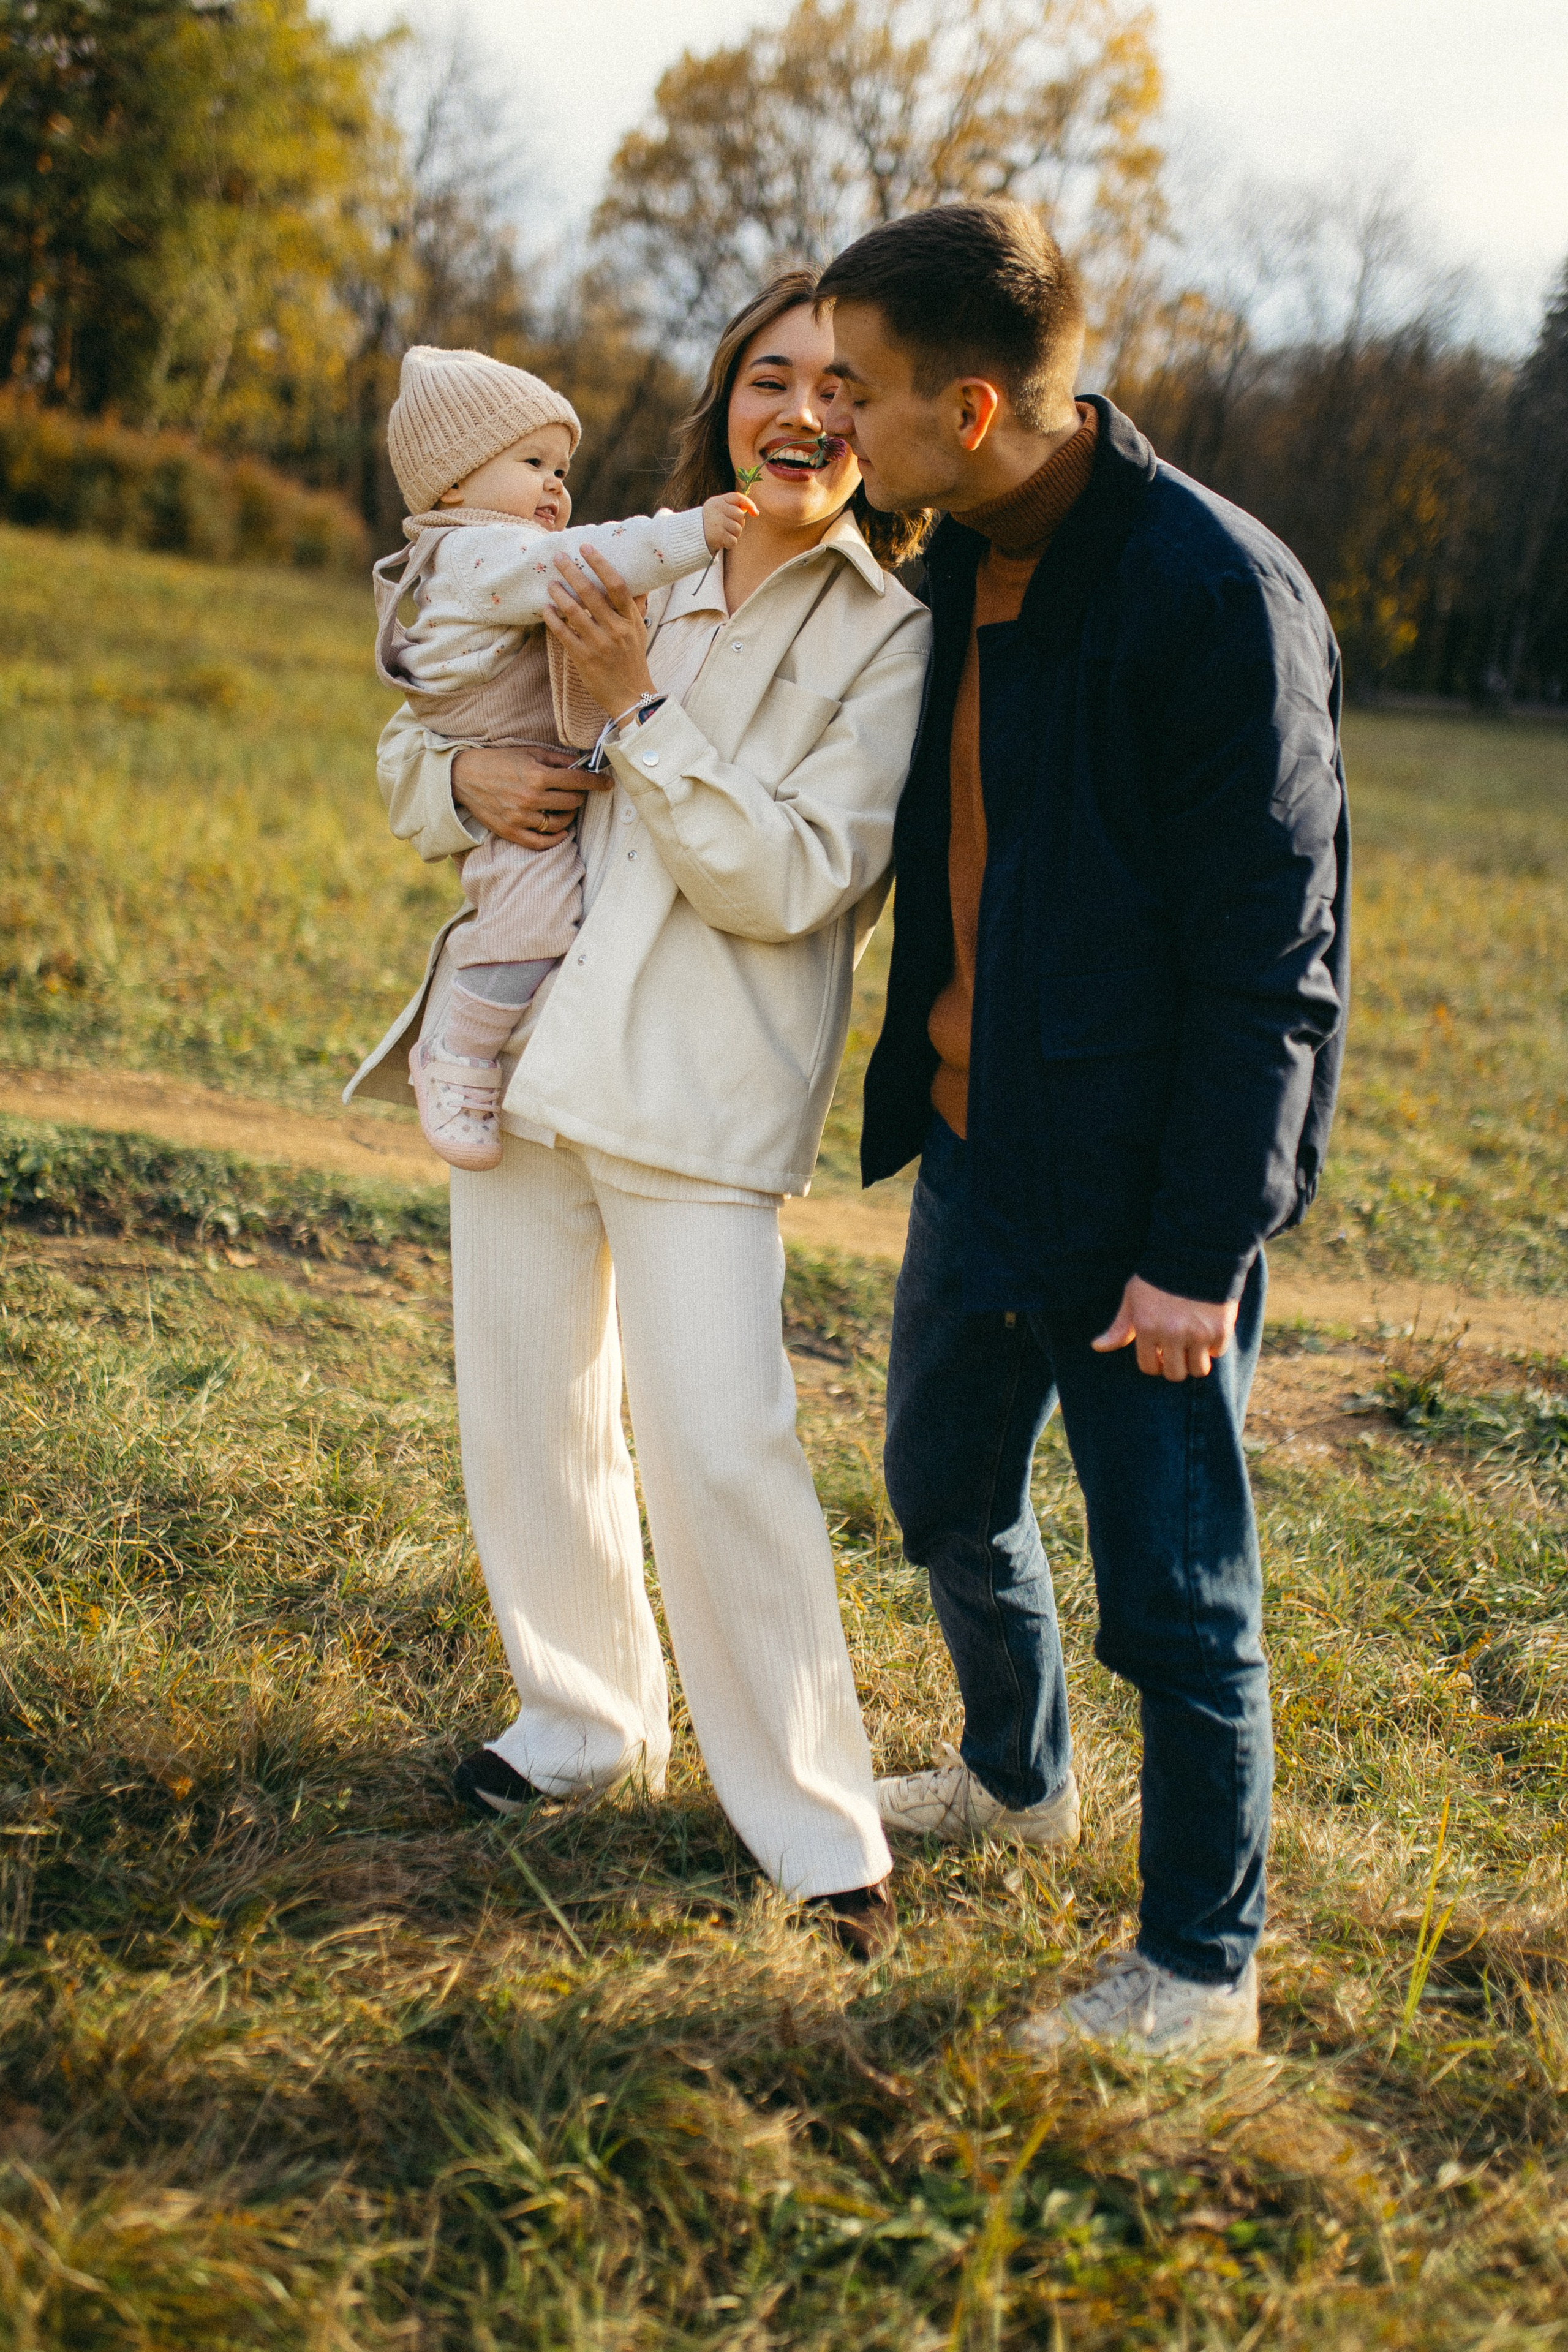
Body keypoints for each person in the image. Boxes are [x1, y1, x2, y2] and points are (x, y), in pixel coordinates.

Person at [345, 275, 932, 1959]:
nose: (802, 411)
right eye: (769, 377)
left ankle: (816, 1829)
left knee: (722, 1443)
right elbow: (438, 715)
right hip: (528, 1057)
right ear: (725, 405)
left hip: (699, 1084)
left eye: (840, 384)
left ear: (879, 422)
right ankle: (583, 1724)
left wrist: (635, 717)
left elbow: (796, 877)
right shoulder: (620, 562)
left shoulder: (891, 637)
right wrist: (457, 782)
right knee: (529, 1416)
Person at [816, 202, 1349, 2044]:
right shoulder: (956, 560)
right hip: (982, 1155)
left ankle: (1202, 1969)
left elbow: (1276, 970)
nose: (829, 418)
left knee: (1177, 1602)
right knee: (942, 1491)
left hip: (1142, 1208)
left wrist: (1199, 1254)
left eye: (858, 388)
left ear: (968, 409)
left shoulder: (1212, 594)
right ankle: (1014, 1778)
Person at [372, 344, 755, 1169]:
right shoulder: (480, 554)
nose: (555, 485)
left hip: (537, 778)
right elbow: (580, 562)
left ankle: (471, 1051)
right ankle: (458, 1054)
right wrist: (689, 532)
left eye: (561, 468)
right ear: (452, 485)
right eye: (533, 463)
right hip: (514, 776)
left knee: (538, 920)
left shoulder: (486, 555)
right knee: (531, 923)